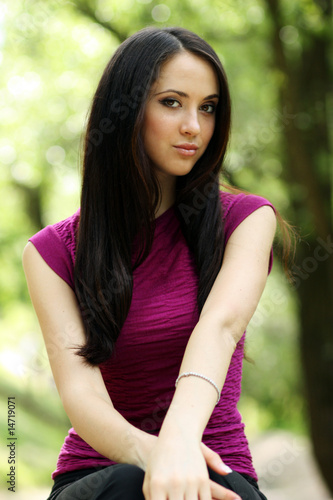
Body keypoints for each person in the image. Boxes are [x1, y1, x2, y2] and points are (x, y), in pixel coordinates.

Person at [23, 26, 279, 500]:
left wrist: (180, 444)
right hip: (102, 475)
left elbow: (219, 328)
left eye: (208, 107)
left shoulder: (246, 219)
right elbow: (82, 395)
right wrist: (155, 455)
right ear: (124, 111)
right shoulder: (51, 253)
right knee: (129, 485)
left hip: (217, 468)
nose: (194, 127)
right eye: (171, 102)